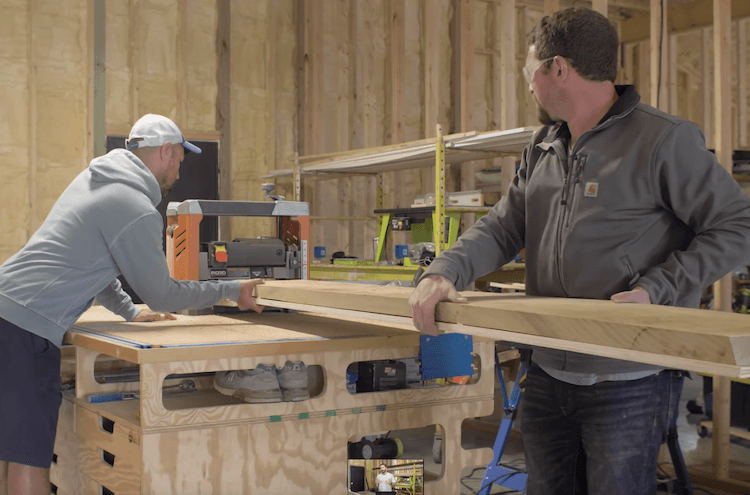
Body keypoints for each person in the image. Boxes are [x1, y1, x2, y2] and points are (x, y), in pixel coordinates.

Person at [409, 7, 750, 495]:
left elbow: (737, 225)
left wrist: (657, 287)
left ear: (558, 68)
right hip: (548, 370)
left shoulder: (663, 140)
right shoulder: (544, 147)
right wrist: (445, 270)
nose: (529, 85)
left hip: (629, 376)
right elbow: (504, 227)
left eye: (531, 72)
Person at [0, 114, 264, 495]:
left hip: (8, 309)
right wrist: (232, 290)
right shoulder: (134, 206)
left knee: (12, 447)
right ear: (165, 151)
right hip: (26, 329)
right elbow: (162, 293)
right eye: (177, 161)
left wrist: (128, 310)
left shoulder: (95, 180)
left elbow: (93, 262)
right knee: (29, 455)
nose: (177, 170)